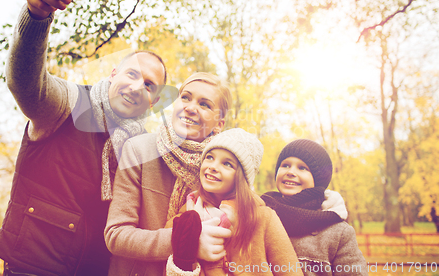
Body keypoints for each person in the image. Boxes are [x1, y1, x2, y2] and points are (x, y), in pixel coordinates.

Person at [0, 0, 167, 276]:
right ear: (113, 74)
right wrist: (36, 17)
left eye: (150, 85)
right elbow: (26, 84)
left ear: (152, 100)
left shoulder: (141, 150)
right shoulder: (70, 103)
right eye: (132, 73)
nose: (138, 86)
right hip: (33, 267)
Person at [105, 72, 235, 275]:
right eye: (185, 97)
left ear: (219, 123)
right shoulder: (139, 150)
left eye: (204, 104)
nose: (190, 108)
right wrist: (186, 240)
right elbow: (116, 235)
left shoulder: (224, 172)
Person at [164, 128, 304, 276]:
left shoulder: (263, 217)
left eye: (227, 164)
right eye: (210, 157)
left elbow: (290, 271)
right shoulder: (185, 215)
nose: (213, 167)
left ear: (242, 178)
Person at [261, 139, 368, 276]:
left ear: (318, 180)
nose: (291, 172)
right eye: (285, 165)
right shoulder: (260, 215)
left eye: (302, 168)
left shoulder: (338, 232)